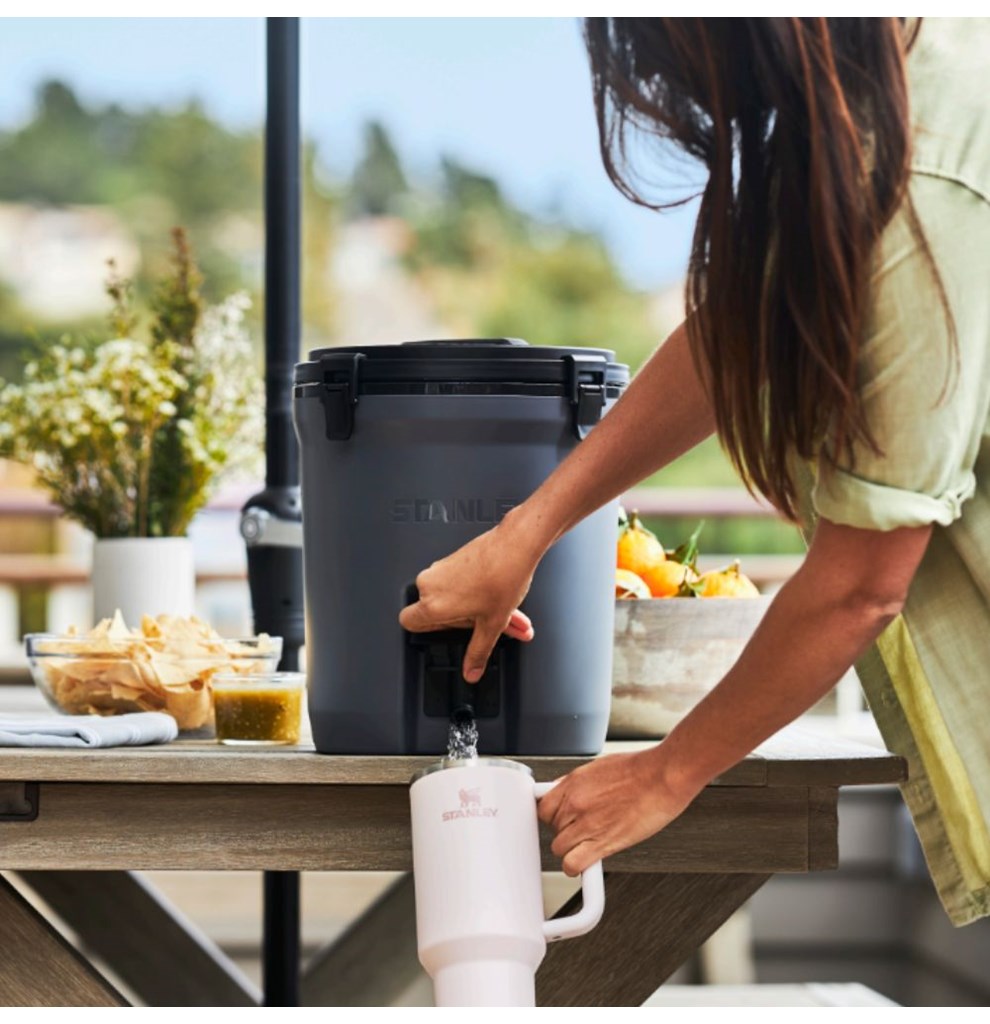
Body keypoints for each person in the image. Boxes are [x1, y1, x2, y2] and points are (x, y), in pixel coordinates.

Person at [399, 18, 990, 926]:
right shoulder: (874, 99)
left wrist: (667, 774)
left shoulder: (930, 181)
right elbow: (738, 333)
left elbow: (860, 585)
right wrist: (528, 530)